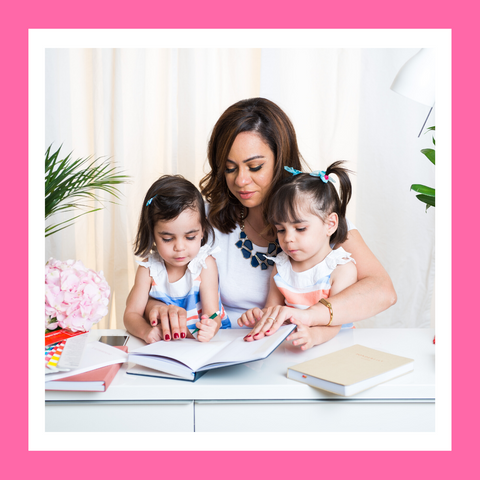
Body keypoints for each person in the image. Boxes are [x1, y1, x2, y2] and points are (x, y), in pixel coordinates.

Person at [144, 98, 397, 341]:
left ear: (280, 160)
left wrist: (310, 316)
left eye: (255, 167)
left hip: (309, 346)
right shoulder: (199, 221)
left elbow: (382, 291)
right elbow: (161, 281)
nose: (240, 181)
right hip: (229, 350)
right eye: (230, 168)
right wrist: (156, 308)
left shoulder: (316, 216)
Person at [238, 162, 357, 349]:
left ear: (330, 224)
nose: (288, 239)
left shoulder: (341, 269)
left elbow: (336, 321)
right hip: (295, 346)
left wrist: (314, 335)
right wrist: (260, 316)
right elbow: (273, 309)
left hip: (336, 347)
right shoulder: (282, 266)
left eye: (300, 228)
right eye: (280, 229)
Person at [124, 175, 230, 344]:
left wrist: (211, 326)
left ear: (202, 230)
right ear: (152, 233)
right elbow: (131, 315)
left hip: (203, 343)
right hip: (168, 346)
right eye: (167, 238)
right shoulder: (148, 269)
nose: (179, 247)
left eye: (190, 237)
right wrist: (146, 332)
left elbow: (212, 313)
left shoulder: (204, 264)